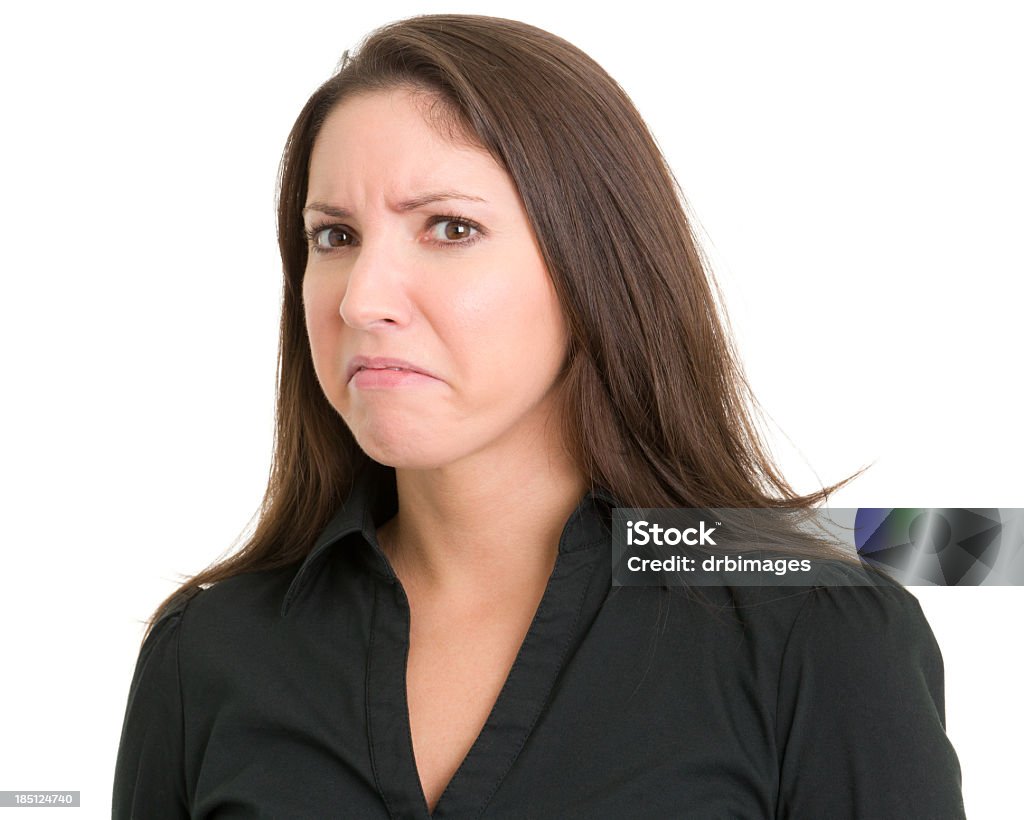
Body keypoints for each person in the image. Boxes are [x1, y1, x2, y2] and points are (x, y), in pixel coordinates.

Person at [112, 13, 966, 819]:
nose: (363, 299)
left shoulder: (821, 638)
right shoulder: (205, 657)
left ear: (593, 266)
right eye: (334, 237)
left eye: (449, 228)